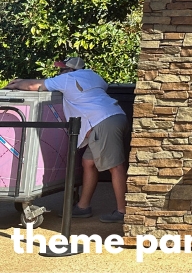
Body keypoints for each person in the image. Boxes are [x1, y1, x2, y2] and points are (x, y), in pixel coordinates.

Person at [5, 56, 128, 223]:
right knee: (88, 163)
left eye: (62, 69)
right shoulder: (93, 76)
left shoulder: (67, 79)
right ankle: (83, 207)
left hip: (101, 122)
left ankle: (122, 211)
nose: (60, 71)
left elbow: (35, 85)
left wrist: (17, 83)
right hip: (115, 116)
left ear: (70, 70)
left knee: (115, 166)